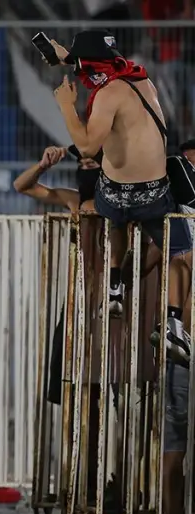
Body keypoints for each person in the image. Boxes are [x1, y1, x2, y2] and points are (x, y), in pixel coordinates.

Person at [49, 30, 193, 363]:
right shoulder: (141, 81)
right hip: (156, 196)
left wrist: (67, 108)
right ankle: (173, 324)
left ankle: (114, 286)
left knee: (111, 212)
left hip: (116, 197)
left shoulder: (106, 96)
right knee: (180, 252)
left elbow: (87, 146)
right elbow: (98, 65)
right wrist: (69, 56)